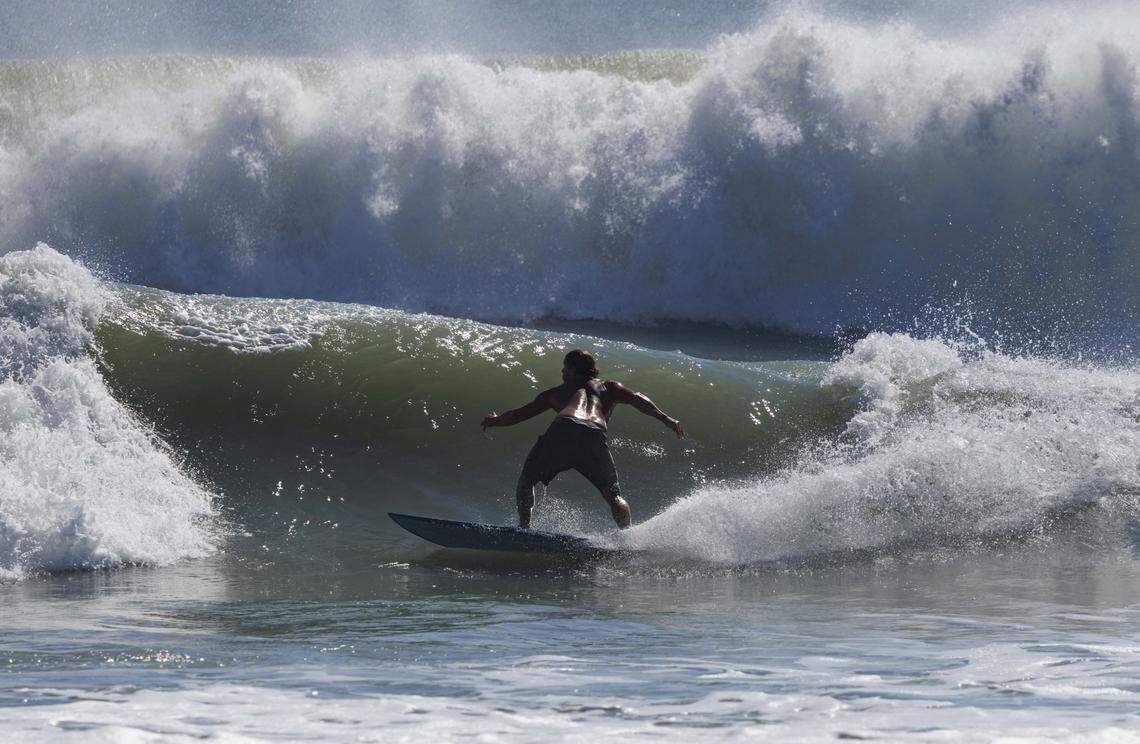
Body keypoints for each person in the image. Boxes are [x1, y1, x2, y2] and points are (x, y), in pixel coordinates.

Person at [481, 349, 684, 529]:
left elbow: (518, 415)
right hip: (594, 433)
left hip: (565, 428)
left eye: (565, 369)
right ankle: (627, 537)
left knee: (526, 482)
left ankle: (524, 529)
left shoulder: (557, 393)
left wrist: (495, 420)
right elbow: (639, 399)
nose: (562, 373)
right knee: (613, 496)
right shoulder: (609, 387)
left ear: (573, 371)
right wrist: (666, 418)